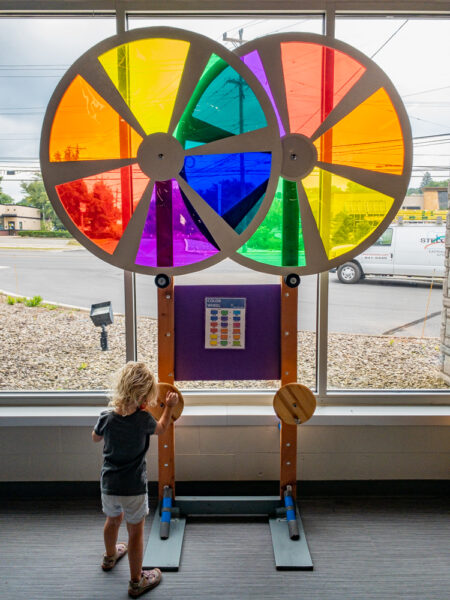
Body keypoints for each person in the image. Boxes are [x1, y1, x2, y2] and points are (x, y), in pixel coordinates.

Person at [92, 361, 178, 598]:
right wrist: (169, 407)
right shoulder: (143, 420)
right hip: (134, 488)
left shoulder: (106, 417)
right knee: (136, 533)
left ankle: (109, 557)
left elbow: (95, 438)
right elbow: (161, 429)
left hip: (109, 484)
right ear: (145, 396)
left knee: (112, 520)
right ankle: (136, 581)